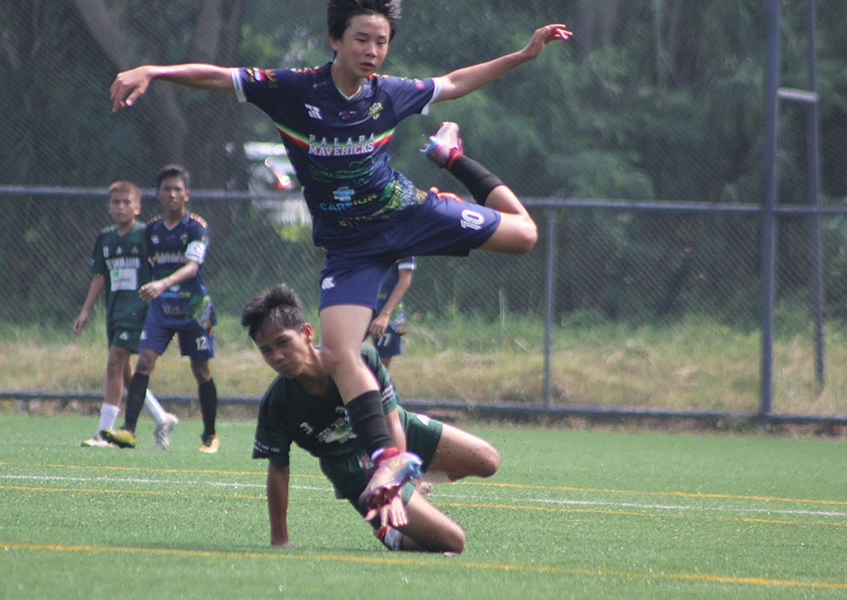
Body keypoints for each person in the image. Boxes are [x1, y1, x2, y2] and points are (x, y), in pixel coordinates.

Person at [109, 0, 570, 510]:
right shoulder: (293, 90)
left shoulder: (389, 93)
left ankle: (451, 157)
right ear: (335, 40)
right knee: (338, 352)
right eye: (361, 39)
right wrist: (154, 71)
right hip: (351, 247)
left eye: (381, 41)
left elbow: (455, 82)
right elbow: (218, 76)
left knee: (525, 236)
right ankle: (388, 458)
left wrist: (524, 54)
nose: (372, 50)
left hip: (406, 214)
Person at [242, 284, 499, 552]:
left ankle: (414, 482)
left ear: (307, 333)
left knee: (487, 460)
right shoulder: (277, 403)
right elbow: (278, 468)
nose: (277, 356)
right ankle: (389, 532)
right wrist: (279, 538)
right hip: (353, 466)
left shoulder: (359, 357)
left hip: (397, 432)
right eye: (266, 350)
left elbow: (392, 421)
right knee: (453, 541)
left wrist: (397, 480)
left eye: (283, 342)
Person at [101, 165, 221, 453]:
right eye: (167, 189)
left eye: (178, 189)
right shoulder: (152, 229)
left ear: (187, 194)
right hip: (161, 306)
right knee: (144, 362)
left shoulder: (196, 226)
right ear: (157, 193)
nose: (172, 194)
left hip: (196, 306)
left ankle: (210, 436)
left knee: (201, 370)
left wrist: (163, 283)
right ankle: (129, 431)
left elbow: (192, 267)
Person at [73, 181, 179, 449]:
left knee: (115, 362)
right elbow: (100, 276)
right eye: (116, 202)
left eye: (127, 202)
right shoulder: (105, 238)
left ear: (138, 207)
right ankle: (162, 418)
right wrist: (85, 311)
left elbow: (163, 272)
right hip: (116, 311)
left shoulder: (146, 235)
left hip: (140, 309)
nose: (121, 207)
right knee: (126, 373)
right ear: (109, 207)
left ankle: (104, 433)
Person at [368, 257, 414, 369]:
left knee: (383, 360)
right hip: (360, 304)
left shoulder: (404, 245)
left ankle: (379, 381)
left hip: (387, 307)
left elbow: (405, 278)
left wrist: (385, 314)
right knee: (345, 352)